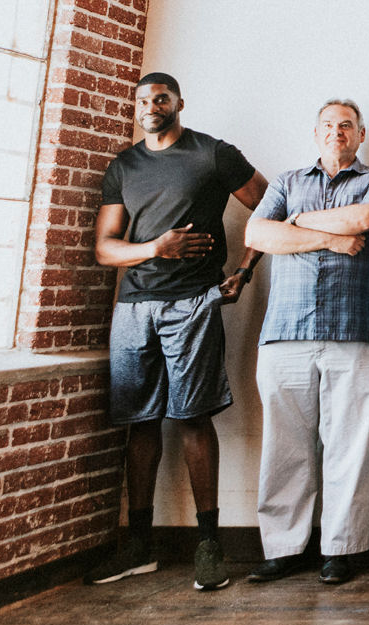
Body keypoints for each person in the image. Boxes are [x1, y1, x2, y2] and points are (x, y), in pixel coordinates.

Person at [87, 71, 268, 591]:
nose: (151, 105)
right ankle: (138, 545)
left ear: (178, 102)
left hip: (193, 302)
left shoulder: (213, 154)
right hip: (134, 307)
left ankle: (209, 546)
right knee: (140, 424)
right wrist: (153, 249)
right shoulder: (124, 165)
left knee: (192, 419)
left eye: (160, 97)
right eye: (143, 99)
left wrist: (244, 271)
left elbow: (271, 207)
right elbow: (105, 248)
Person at [241, 99, 369, 585]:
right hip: (285, 331)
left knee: (348, 446)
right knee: (285, 447)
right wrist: (327, 238)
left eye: (346, 125)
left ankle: (340, 548)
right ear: (315, 132)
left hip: (355, 330)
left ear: (360, 134)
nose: (336, 132)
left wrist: (297, 223)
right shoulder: (287, 181)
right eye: (328, 125)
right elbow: (259, 233)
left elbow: (364, 221)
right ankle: (284, 548)